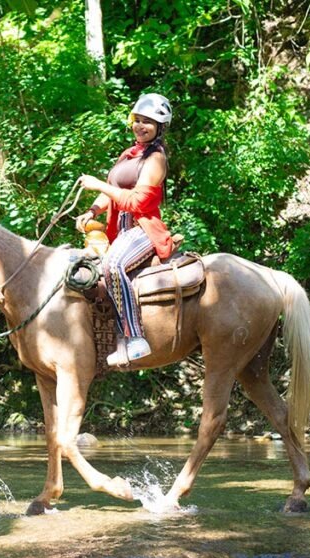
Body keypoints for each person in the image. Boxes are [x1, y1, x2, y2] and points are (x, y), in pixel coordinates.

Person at [76, 93, 175, 366]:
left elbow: (136, 202)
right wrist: (92, 211)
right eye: (137, 120)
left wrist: (99, 185)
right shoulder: (129, 154)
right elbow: (112, 193)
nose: (140, 126)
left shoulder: (155, 159)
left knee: (113, 265)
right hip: (119, 232)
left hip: (142, 228)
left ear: (159, 127)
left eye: (148, 122)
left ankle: (134, 337)